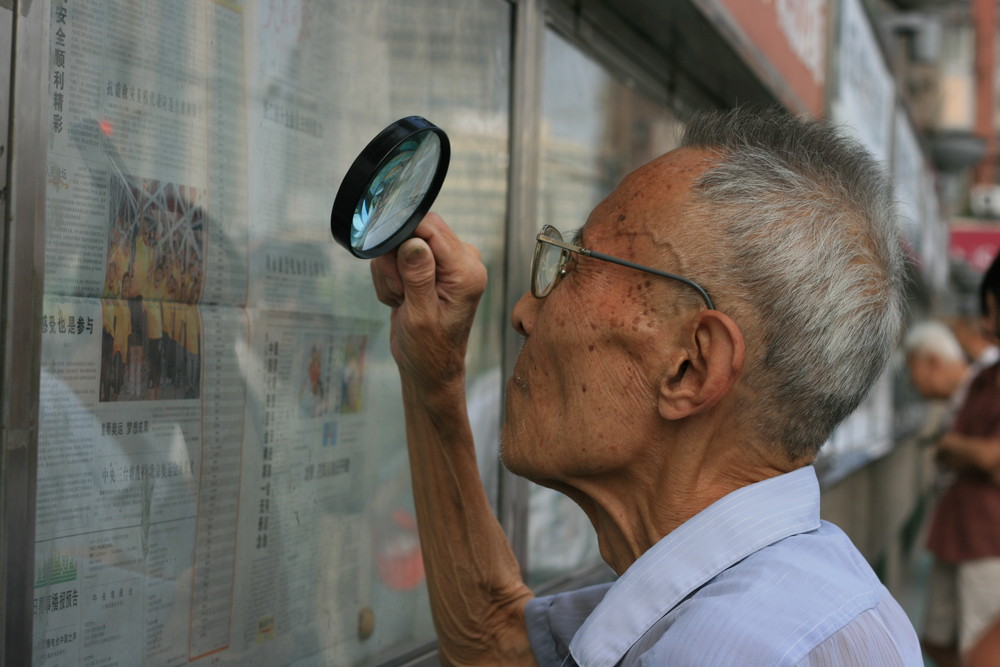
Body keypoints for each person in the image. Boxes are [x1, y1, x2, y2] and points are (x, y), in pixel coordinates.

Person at [370, 107, 921, 665]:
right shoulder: (783, 591)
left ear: (690, 368)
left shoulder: (730, 650)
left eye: (572, 264)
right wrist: (433, 380)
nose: (524, 312)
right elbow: (495, 643)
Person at [923, 253, 1000, 667]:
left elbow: (993, 460)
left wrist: (955, 447)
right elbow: (955, 448)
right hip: (957, 530)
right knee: (938, 639)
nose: (987, 320)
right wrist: (963, 450)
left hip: (992, 541)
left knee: (983, 652)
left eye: (991, 307)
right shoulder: (984, 378)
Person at [904, 321, 971, 411]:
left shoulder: (987, 393)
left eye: (912, 368)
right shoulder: (959, 404)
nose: (912, 381)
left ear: (934, 363)